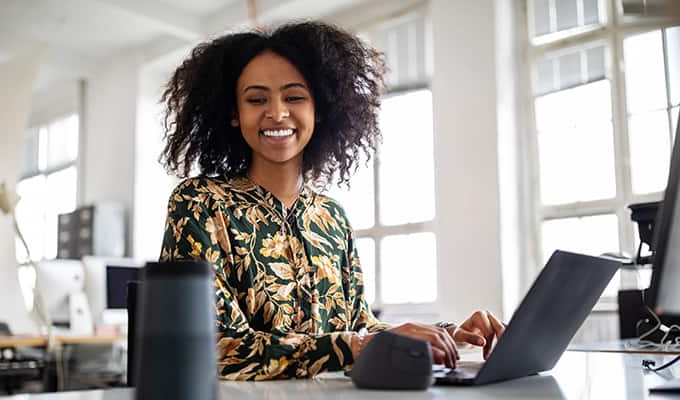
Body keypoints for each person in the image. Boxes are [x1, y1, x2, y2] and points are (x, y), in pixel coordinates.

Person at [158, 20, 505, 381]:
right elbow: (210, 347)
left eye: (294, 97)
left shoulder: (331, 218)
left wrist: (446, 335)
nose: (277, 113)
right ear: (233, 113)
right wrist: (354, 345)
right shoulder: (199, 203)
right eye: (256, 99)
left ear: (320, 109)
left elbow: (360, 326)